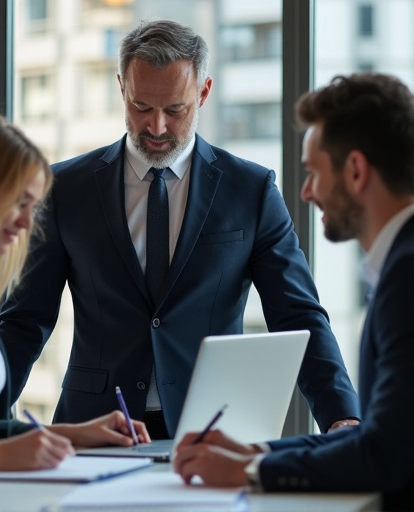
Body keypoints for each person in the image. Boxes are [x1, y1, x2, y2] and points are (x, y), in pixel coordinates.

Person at [0, 19, 359, 440]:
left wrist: (341, 416)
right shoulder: (65, 189)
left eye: (174, 110)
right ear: (121, 88)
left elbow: (298, 315)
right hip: (93, 427)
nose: (156, 128)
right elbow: (25, 319)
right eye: (141, 107)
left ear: (203, 92)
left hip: (215, 428)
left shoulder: (252, 190)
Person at [173, 72, 414, 511]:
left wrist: (250, 472)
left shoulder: (406, 274)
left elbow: (386, 455)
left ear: (356, 170)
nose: (306, 192)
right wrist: (260, 454)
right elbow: (390, 434)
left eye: (313, 173)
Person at [0, 113, 150, 476]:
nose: (26, 224)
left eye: (32, 207)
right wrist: (2, 458)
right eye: (20, 202)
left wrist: (73, 435)